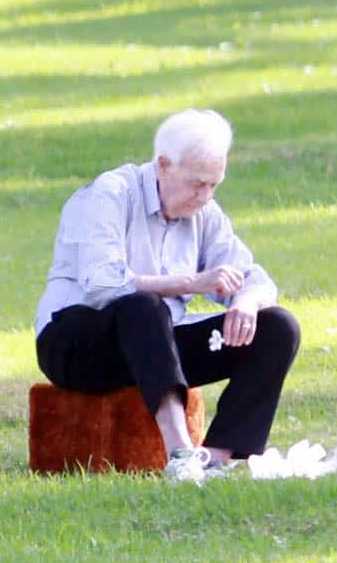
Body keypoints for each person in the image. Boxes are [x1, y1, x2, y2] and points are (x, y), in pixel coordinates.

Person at [34, 109, 300, 481]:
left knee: (277, 326)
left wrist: (244, 302)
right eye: (197, 184)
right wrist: (192, 282)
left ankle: (215, 459)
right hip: (77, 343)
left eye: (214, 185)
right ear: (163, 165)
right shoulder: (108, 195)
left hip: (156, 349)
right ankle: (180, 454)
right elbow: (103, 285)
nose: (205, 196)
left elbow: (255, 278)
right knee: (144, 306)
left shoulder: (205, 212)